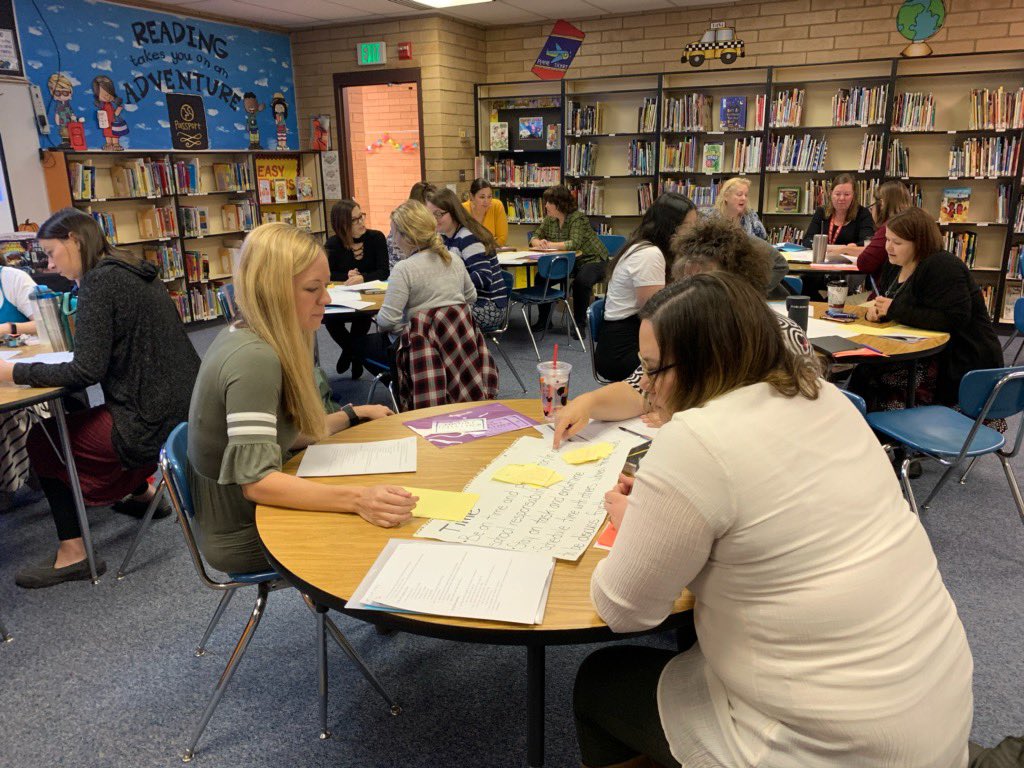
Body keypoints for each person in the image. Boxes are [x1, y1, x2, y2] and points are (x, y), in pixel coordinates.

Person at [574, 272, 973, 768]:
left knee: (601, 681)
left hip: (836, 748)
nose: (648, 388)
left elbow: (623, 609)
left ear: (705, 363)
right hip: (935, 707)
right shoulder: (824, 397)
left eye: (654, 370)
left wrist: (636, 526)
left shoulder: (696, 439)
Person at [186, 223, 409, 575]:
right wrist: (357, 499)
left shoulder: (250, 332)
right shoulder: (254, 359)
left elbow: (280, 433)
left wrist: (352, 415)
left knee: (381, 496)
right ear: (273, 291)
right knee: (388, 522)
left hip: (247, 505)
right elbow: (257, 482)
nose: (328, 299)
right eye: (312, 289)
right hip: (244, 527)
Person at [0, 208, 200, 588]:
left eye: (51, 252)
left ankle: (73, 554)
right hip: (183, 410)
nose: (50, 264)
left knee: (43, 439)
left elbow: (85, 371)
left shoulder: (99, 282)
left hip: (149, 421)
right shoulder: (129, 269)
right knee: (84, 412)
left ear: (74, 240)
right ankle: (141, 493)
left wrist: (13, 373)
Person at [554, 217, 814, 447]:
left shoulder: (781, 337)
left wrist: (681, 415)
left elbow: (782, 431)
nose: (694, 300)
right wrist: (586, 404)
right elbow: (638, 389)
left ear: (742, 286)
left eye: (708, 288)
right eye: (686, 285)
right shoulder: (680, 333)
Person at [855, 207, 1003, 409]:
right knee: (864, 371)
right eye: (887, 239)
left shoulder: (942, 266)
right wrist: (878, 312)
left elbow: (953, 319)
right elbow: (894, 303)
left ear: (919, 243)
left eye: (897, 242)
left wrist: (894, 310)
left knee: (877, 378)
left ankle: (890, 431)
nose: (889, 247)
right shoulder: (894, 264)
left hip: (958, 358)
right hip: (918, 347)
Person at [364, 200, 477, 379]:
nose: (392, 240)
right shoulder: (454, 259)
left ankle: (401, 384)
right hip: (457, 346)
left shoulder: (404, 269)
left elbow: (386, 322)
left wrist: (377, 317)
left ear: (407, 236)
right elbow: (471, 296)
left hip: (418, 351)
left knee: (357, 344)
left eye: (394, 233)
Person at [595, 193, 697, 381]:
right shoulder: (649, 254)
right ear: (670, 228)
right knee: (695, 360)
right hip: (621, 349)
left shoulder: (648, 247)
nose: (692, 233)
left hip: (629, 337)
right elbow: (656, 313)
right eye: (688, 227)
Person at [529, 184, 609, 335]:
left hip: (592, 259)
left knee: (581, 282)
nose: (545, 206)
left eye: (549, 202)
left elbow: (574, 244)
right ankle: (544, 321)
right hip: (569, 261)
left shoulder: (577, 218)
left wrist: (549, 245)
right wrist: (538, 242)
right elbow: (534, 235)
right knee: (541, 277)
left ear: (559, 204)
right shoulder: (549, 220)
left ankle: (579, 325)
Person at [323, 199, 389, 380]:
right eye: (355, 220)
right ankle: (355, 354)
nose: (361, 222)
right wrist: (346, 276)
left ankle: (350, 353)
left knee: (363, 317)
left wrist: (363, 277)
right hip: (343, 299)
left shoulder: (376, 238)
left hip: (366, 300)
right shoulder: (333, 244)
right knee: (330, 321)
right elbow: (329, 274)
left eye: (361, 217)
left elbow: (384, 271)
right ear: (342, 224)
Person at [425, 187, 506, 328]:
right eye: (431, 215)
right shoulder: (444, 237)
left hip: (488, 306)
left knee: (432, 319)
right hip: (466, 300)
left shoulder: (468, 237)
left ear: (453, 212)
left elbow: (484, 277)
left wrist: (449, 285)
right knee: (422, 314)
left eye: (439, 214)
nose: (434, 219)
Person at [0, 265, 40, 506]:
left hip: (26, 374)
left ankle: (15, 475)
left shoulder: (12, 279)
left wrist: (8, 329)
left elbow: (46, 321)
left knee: (7, 414)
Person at [857, 180, 914, 288]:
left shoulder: (889, 229)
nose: (871, 209)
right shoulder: (911, 224)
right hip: (907, 292)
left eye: (873, 205)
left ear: (882, 204)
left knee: (839, 301)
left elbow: (864, 264)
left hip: (887, 296)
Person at [800, 173, 875, 254]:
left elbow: (866, 242)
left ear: (853, 195)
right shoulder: (821, 211)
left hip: (849, 261)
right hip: (822, 258)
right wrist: (844, 248)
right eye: (837, 194)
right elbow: (807, 240)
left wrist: (828, 247)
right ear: (831, 194)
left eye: (847, 194)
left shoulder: (863, 214)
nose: (842, 198)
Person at [388, 181, 436, 271]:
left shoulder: (437, 228)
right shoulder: (399, 232)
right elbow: (395, 268)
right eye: (428, 212)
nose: (432, 217)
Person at [463, 178, 509, 247]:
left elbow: (502, 238)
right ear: (472, 196)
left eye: (489, 196)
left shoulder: (497, 206)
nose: (486, 201)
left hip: (492, 252)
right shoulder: (463, 209)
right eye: (482, 197)